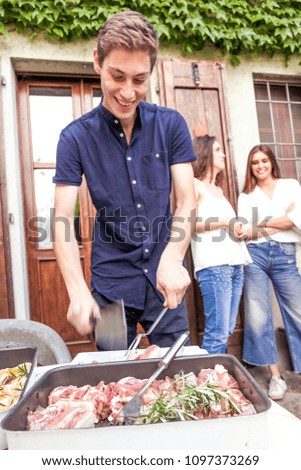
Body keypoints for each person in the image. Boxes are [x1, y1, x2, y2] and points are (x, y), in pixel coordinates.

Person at [52, 11, 197, 348]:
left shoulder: (171, 125)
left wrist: (174, 258)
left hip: (165, 274)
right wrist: (76, 291)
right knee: (115, 376)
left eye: (139, 79)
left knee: (180, 377)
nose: (128, 92)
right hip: (110, 283)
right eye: (117, 76)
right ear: (97, 63)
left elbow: (187, 199)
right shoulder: (74, 138)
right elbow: (61, 219)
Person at [238, 144, 301, 400]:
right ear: (250, 167)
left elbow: (296, 222)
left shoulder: (291, 186)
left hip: (285, 255)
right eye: (255, 162)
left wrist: (262, 223)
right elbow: (246, 232)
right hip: (255, 256)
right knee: (257, 316)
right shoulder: (247, 196)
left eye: (264, 160)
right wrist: (282, 220)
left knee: (298, 312)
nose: (260, 166)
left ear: (272, 162)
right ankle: (275, 377)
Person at [190, 135, 252, 354]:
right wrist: (225, 222)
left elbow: (226, 226)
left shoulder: (219, 190)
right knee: (216, 333)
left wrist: (237, 228)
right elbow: (186, 223)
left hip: (236, 264)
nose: (223, 154)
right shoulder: (194, 186)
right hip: (215, 266)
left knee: (226, 330)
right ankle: (207, 384)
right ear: (205, 153)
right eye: (218, 150)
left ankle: (214, 381)